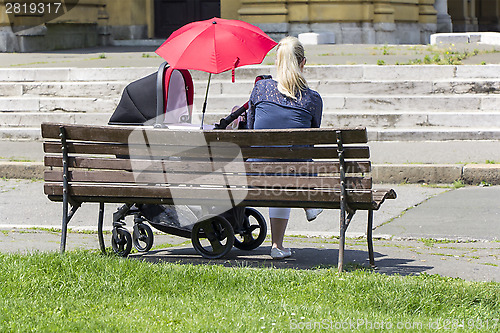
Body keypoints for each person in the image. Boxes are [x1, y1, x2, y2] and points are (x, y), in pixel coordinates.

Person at [247, 36, 323, 259]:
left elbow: (250, 130)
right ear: (303, 63)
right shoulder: (312, 99)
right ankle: (278, 244)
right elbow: (311, 141)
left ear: (278, 62)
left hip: (256, 173)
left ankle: (279, 244)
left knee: (275, 166)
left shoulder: (261, 89)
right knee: (290, 167)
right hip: (293, 175)